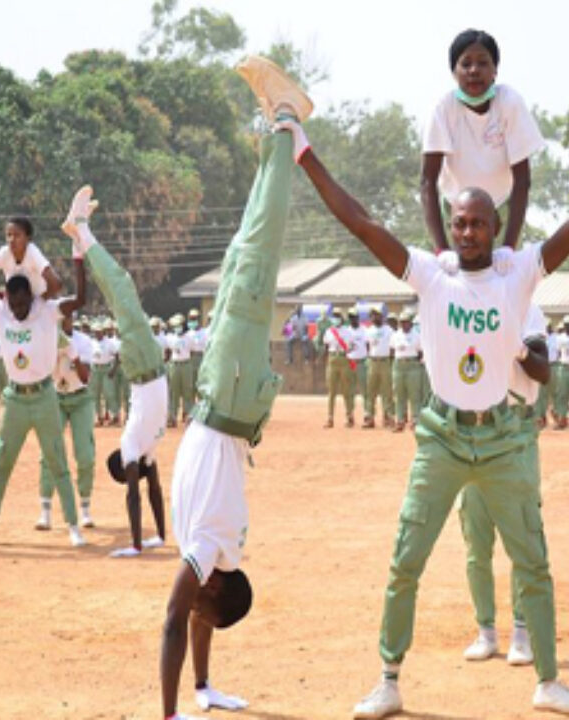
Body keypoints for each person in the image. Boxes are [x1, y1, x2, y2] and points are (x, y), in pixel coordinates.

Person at [285, 50, 569, 717]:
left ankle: (547, 680)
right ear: (450, 228)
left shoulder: (520, 274)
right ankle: (389, 682)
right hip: (442, 440)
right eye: (458, 222)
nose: (467, 230)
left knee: (535, 566)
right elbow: (361, 221)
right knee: (406, 562)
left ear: (496, 227)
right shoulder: (431, 274)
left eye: (478, 222)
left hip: (507, 441)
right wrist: (303, 150)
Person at [157, 55, 309, 720]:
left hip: (226, 398)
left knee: (239, 257)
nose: (192, 604)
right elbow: (173, 619)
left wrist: (199, 693)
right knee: (258, 256)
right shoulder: (214, 542)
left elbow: (192, 619)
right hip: (233, 392)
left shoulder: (212, 556)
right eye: (204, 603)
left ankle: (279, 133)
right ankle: (286, 123)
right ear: (213, 587)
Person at [0, 215, 89, 547]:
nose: (21, 310)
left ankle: (72, 526)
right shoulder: (1, 309)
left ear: (33, 298)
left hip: (44, 397)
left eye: (25, 303)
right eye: (16, 304)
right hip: (13, 399)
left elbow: (79, 299)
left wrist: (78, 255)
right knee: (1, 463)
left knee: (58, 461)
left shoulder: (47, 309)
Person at [60, 185, 172, 557]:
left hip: (143, 367)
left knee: (120, 288)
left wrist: (136, 547)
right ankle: (78, 234)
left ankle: (81, 233)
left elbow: (136, 495)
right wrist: (159, 537)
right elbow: (152, 490)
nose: (136, 476)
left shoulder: (133, 445)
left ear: (125, 467)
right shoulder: (147, 451)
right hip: (148, 366)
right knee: (118, 289)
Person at [458, 302, 549, 667]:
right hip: (473, 433)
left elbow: (542, 372)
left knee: (521, 539)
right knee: (476, 541)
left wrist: (512, 341)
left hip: (515, 431)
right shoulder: (464, 307)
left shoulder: (527, 311)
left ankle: (523, 633)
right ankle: (486, 631)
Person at [421, 29, 543, 255]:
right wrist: (442, 249)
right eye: (465, 64)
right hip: (456, 201)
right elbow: (428, 181)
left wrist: (508, 247)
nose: (474, 70)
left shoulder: (509, 103)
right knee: (463, 269)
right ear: (454, 72)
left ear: (495, 70)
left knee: (500, 269)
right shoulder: (443, 109)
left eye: (483, 63)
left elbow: (522, 180)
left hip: (502, 201)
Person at [36, 315, 96, 532]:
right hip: (55, 398)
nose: (63, 322)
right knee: (49, 452)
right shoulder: (46, 341)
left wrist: (73, 353)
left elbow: (85, 377)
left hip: (80, 398)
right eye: (60, 318)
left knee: (85, 454)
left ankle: (85, 509)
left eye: (67, 318)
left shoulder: (84, 341)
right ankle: (45, 511)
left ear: (73, 320)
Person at [0, 216, 62, 299]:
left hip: (38, 310)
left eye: (17, 235)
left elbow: (56, 284)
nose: (12, 240)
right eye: (9, 235)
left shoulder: (32, 252)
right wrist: (1, 296)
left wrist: (38, 302)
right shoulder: (4, 253)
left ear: (28, 238)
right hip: (15, 310)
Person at [322, 310, 357, 428]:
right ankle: (330, 417)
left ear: (342, 318)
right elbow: (326, 346)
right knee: (331, 391)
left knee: (346, 390)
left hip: (343, 359)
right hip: (332, 359)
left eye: (337, 316)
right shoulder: (329, 331)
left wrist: (347, 351)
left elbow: (353, 345)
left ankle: (349, 416)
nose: (335, 318)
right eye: (334, 316)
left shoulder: (347, 331)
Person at [390, 311, 424, 432]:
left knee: (414, 394)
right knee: (399, 395)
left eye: (407, 322)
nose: (404, 325)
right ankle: (400, 420)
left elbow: (421, 352)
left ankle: (415, 420)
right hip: (398, 365)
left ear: (411, 323)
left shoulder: (417, 335)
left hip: (413, 365)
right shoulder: (395, 335)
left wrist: (414, 361)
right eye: (402, 322)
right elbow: (392, 351)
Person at [365, 307, 395, 429]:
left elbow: (392, 347)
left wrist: (390, 360)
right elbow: (368, 346)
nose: (373, 318)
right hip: (373, 361)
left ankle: (388, 417)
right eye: (371, 315)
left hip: (385, 362)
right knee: (371, 391)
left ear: (381, 316)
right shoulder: (369, 331)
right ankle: (369, 417)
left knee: (387, 391)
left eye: (376, 315)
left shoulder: (389, 330)